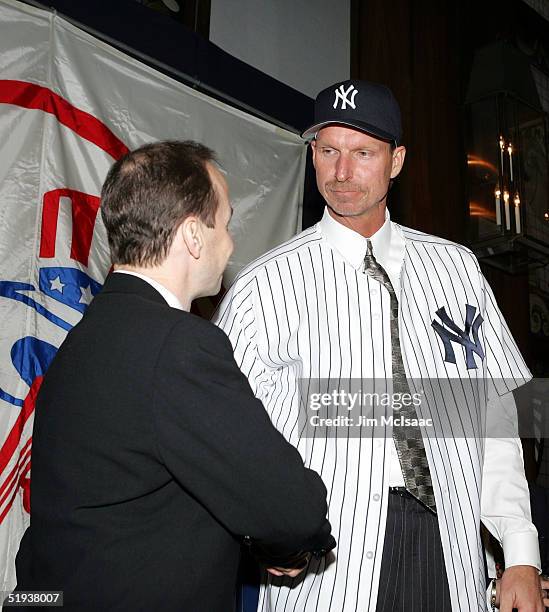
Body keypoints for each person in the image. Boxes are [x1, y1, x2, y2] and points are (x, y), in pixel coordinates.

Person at [214, 80, 546, 611]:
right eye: (328, 151)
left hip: (453, 552)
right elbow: (228, 436)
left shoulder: (456, 269)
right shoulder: (265, 285)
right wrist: (265, 530)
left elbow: (494, 421)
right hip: (330, 567)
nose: (342, 173)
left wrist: (521, 551)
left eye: (363, 153)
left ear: (396, 161)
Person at [14, 141, 335, 611]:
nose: (230, 243)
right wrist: (286, 543)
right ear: (193, 236)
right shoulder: (179, 345)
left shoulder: (83, 340)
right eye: (224, 223)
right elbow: (292, 509)